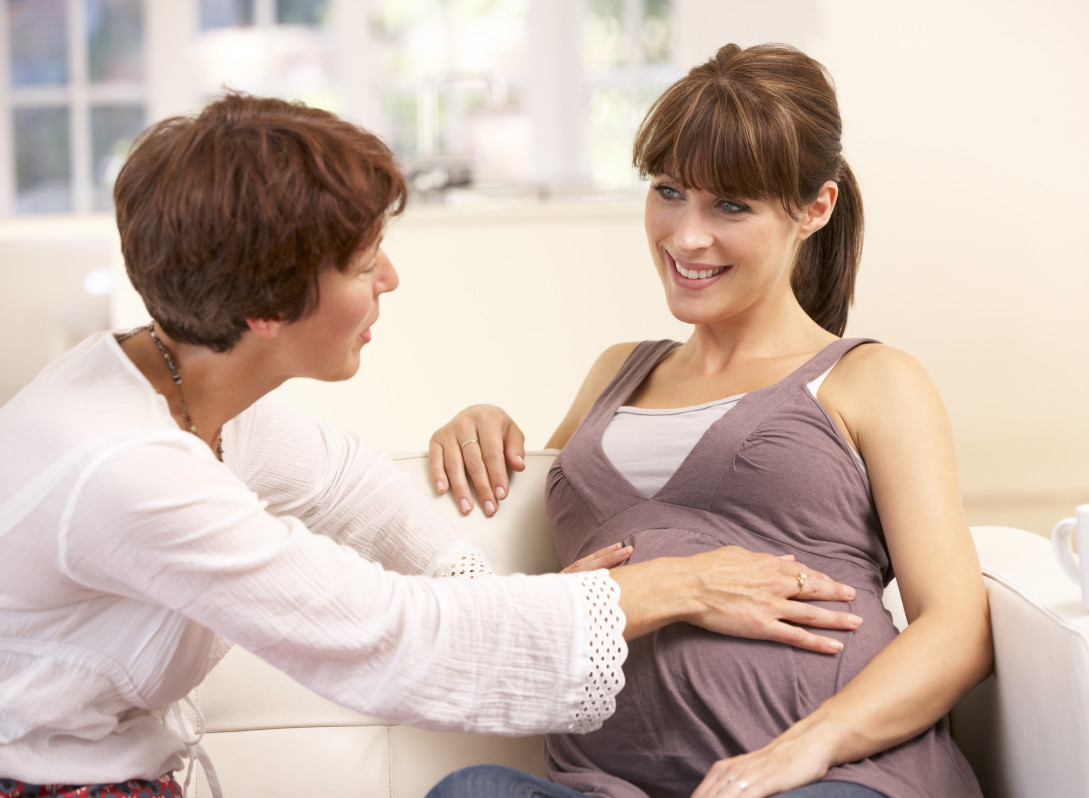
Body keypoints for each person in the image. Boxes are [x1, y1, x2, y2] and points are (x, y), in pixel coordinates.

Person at [0, 91, 865, 798]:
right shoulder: (125, 472)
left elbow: (349, 488)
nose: (390, 277)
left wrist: (486, 592)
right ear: (266, 310)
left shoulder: (179, 387)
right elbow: (387, 640)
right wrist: (670, 586)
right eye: (363, 260)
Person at [427, 43, 992, 798]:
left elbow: (956, 624)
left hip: (837, 780)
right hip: (610, 785)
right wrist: (481, 419)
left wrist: (806, 748)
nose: (685, 237)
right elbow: (540, 544)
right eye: (667, 192)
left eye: (730, 205)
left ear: (814, 209)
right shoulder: (616, 371)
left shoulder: (869, 380)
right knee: (472, 792)